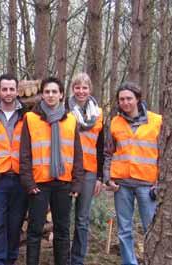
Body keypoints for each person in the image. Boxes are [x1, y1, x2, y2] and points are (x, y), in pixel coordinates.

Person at [19, 77, 84, 265]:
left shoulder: (71, 120)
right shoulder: (31, 118)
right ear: (42, 94)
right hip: (39, 184)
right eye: (47, 91)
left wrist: (77, 182)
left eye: (54, 91)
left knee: (63, 230)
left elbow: (77, 154)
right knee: (34, 231)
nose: (50, 95)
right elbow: (24, 154)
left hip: (63, 183)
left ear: (62, 94)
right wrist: (28, 183)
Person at [103, 82, 162, 265]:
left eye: (129, 98)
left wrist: (160, 181)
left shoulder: (157, 121)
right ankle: (129, 262)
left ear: (137, 98)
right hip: (122, 184)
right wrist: (107, 178)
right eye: (121, 99)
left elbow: (165, 154)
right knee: (124, 230)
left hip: (147, 184)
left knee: (150, 228)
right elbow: (108, 153)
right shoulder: (115, 122)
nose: (125, 102)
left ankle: (153, 260)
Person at [0, 74, 29, 265]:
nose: (8, 93)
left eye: (12, 89)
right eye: (4, 89)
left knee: (15, 223)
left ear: (17, 91)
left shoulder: (27, 116)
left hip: (20, 177)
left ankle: (10, 259)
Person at [67, 73, 105, 265]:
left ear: (90, 90)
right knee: (64, 218)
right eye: (77, 87)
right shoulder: (64, 111)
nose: (81, 91)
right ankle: (63, 257)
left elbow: (101, 147)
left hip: (89, 171)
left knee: (82, 219)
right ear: (72, 89)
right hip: (67, 171)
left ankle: (77, 259)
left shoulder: (98, 114)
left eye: (85, 88)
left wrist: (100, 177)